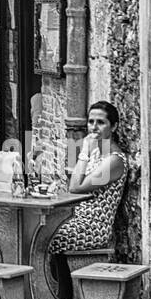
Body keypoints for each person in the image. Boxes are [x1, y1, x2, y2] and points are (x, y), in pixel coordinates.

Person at [49, 102, 128, 256]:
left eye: (100, 122)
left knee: (43, 238)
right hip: (74, 220)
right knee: (31, 231)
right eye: (91, 122)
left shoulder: (114, 160)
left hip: (93, 228)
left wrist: (84, 150)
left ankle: (43, 279)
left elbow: (75, 188)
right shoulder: (96, 153)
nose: (94, 127)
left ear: (113, 127)